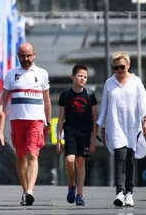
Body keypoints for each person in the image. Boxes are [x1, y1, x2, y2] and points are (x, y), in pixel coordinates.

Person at [97, 51, 146, 207]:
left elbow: (144, 103)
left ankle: (129, 193)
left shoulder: (136, 82)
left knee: (130, 160)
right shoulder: (109, 83)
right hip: (115, 125)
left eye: (122, 67)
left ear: (128, 65)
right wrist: (102, 130)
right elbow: (104, 107)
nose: (119, 71)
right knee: (119, 159)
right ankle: (119, 192)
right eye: (115, 68)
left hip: (132, 126)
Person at [0, 42, 51, 206]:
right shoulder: (11, 74)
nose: (26, 59)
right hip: (17, 120)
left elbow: (47, 100)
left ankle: (30, 191)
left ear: (34, 55)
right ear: (18, 56)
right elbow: (4, 99)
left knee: (32, 154)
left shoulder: (42, 73)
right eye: (22, 56)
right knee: (21, 157)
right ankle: (24, 191)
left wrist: (48, 122)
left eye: (29, 56)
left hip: (35, 120)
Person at [56, 64, 98, 206]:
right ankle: (71, 185)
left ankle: (79, 194)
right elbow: (61, 118)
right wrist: (58, 140)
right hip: (70, 131)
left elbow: (95, 120)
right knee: (69, 160)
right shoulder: (65, 95)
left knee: (80, 162)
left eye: (85, 77)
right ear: (72, 76)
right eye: (80, 76)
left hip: (85, 133)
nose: (82, 79)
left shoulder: (90, 95)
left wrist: (93, 141)